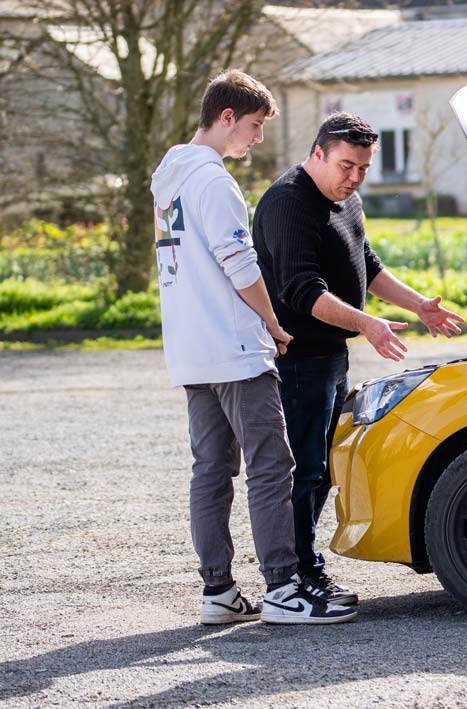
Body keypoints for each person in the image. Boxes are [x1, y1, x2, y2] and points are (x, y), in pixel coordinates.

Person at [150, 70, 356, 625]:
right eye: (255, 125)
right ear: (225, 118)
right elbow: (239, 264)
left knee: (211, 470)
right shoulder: (214, 182)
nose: (258, 138)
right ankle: (284, 589)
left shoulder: (166, 181)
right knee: (273, 467)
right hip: (234, 346)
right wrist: (272, 322)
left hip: (191, 350)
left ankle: (217, 590)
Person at [252, 112, 465, 603]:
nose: (354, 178)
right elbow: (302, 292)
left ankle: (306, 570)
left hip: (330, 357)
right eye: (346, 166)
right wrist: (368, 324)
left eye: (364, 168)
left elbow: (366, 266)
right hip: (297, 360)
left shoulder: (345, 200)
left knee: (322, 468)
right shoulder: (289, 203)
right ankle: (292, 578)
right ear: (318, 153)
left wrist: (419, 306)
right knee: (302, 470)